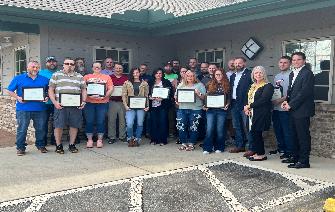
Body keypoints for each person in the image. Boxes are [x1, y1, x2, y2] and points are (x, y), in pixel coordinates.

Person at [6, 61, 49, 156]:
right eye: (33, 67)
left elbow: (48, 92)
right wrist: (18, 97)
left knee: (41, 128)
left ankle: (41, 145)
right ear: (27, 68)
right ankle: (20, 148)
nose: (35, 69)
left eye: (37, 67)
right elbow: (9, 90)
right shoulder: (18, 78)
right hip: (23, 108)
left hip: (40, 109)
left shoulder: (45, 79)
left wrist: (47, 97)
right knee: (22, 129)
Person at [281, 52, 315, 169]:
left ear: (304, 61)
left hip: (302, 110)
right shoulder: (292, 73)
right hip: (293, 109)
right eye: (294, 60)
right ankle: (295, 157)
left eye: (298, 60)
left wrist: (291, 105)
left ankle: (304, 161)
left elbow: (304, 93)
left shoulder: (307, 73)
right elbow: (291, 91)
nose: (296, 62)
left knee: (303, 136)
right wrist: (286, 101)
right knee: (293, 135)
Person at [48, 58, 87, 154]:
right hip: (60, 106)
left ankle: (72, 144)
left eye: (72, 64)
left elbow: (84, 90)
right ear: (63, 65)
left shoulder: (79, 76)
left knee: (74, 125)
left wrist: (84, 101)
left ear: (74, 66)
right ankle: (58, 145)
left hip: (75, 106)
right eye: (67, 63)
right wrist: (55, 102)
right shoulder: (56, 75)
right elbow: (51, 89)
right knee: (58, 126)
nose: (69, 65)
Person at [243, 66, 274, 161]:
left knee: (257, 133)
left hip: (261, 113)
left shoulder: (268, 86)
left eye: (260, 72)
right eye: (256, 73)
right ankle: (256, 152)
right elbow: (246, 97)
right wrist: (246, 107)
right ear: (253, 75)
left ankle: (261, 154)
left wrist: (249, 106)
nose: (258, 75)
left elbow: (264, 100)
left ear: (264, 74)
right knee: (253, 133)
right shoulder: (252, 85)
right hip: (251, 113)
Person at [83, 62, 113, 148]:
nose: (97, 68)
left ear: (101, 68)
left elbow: (111, 88)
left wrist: (104, 96)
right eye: (95, 67)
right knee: (89, 121)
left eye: (99, 67)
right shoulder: (87, 77)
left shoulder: (107, 77)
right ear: (92, 68)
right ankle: (90, 140)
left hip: (102, 103)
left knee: (101, 121)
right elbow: (83, 88)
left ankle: (100, 140)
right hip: (89, 103)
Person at [176, 70, 206, 151]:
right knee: (181, 127)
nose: (190, 77)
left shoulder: (199, 85)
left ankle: (191, 143)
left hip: (195, 109)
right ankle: (183, 143)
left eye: (192, 76)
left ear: (194, 77)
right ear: (185, 77)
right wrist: (177, 100)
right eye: (188, 76)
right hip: (182, 108)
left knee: (193, 127)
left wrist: (198, 93)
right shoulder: (181, 85)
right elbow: (176, 96)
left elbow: (204, 98)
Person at [202, 68, 230, 154]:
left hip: (222, 110)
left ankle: (219, 147)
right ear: (214, 75)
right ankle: (207, 148)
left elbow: (229, 98)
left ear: (223, 75)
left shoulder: (227, 85)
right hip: (210, 110)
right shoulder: (209, 84)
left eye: (220, 74)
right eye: (217, 74)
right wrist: (205, 105)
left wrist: (227, 104)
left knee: (220, 129)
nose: (218, 76)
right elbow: (206, 96)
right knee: (209, 129)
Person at [271, 56, 293, 159]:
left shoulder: (292, 75)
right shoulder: (277, 76)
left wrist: (283, 99)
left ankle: (289, 151)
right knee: (278, 130)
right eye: (281, 62)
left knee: (287, 131)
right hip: (276, 108)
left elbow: (293, 93)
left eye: (285, 62)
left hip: (285, 108)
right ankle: (281, 148)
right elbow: (275, 91)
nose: (282, 64)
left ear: (290, 64)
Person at [229, 57, 253, 154]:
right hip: (234, 103)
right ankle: (240, 146)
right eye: (236, 63)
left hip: (245, 104)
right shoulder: (232, 76)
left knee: (247, 126)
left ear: (244, 64)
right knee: (237, 126)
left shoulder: (250, 74)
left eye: (240, 63)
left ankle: (251, 147)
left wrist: (249, 104)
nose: (237, 65)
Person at [122, 68, 149, 147]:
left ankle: (137, 139)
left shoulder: (144, 83)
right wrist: (125, 106)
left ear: (139, 73)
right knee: (129, 124)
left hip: (141, 107)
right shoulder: (127, 83)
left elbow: (146, 95)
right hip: (130, 107)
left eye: (137, 72)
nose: (135, 74)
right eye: (134, 73)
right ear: (131, 74)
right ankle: (130, 138)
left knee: (140, 123)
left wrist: (147, 106)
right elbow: (124, 95)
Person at [148, 68, 173, 145]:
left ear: (162, 74)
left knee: (163, 122)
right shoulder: (150, 82)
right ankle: (154, 140)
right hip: (153, 105)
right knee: (154, 122)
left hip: (163, 105)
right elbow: (147, 93)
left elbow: (170, 94)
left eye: (160, 73)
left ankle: (163, 140)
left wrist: (163, 98)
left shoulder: (166, 82)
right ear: (154, 74)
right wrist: (149, 97)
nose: (158, 75)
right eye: (157, 73)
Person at [39, 56, 59, 146]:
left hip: (57, 102)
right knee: (43, 122)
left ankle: (55, 140)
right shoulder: (40, 73)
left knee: (57, 122)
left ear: (56, 63)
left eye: (53, 61)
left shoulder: (60, 73)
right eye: (49, 62)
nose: (52, 63)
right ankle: (43, 141)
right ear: (46, 63)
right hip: (45, 103)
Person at [107, 63, 128, 144]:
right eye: (117, 68)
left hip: (123, 102)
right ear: (114, 69)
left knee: (123, 120)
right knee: (111, 120)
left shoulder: (126, 78)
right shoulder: (109, 77)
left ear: (122, 69)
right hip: (112, 101)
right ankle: (112, 137)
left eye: (120, 68)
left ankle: (122, 136)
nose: (118, 70)